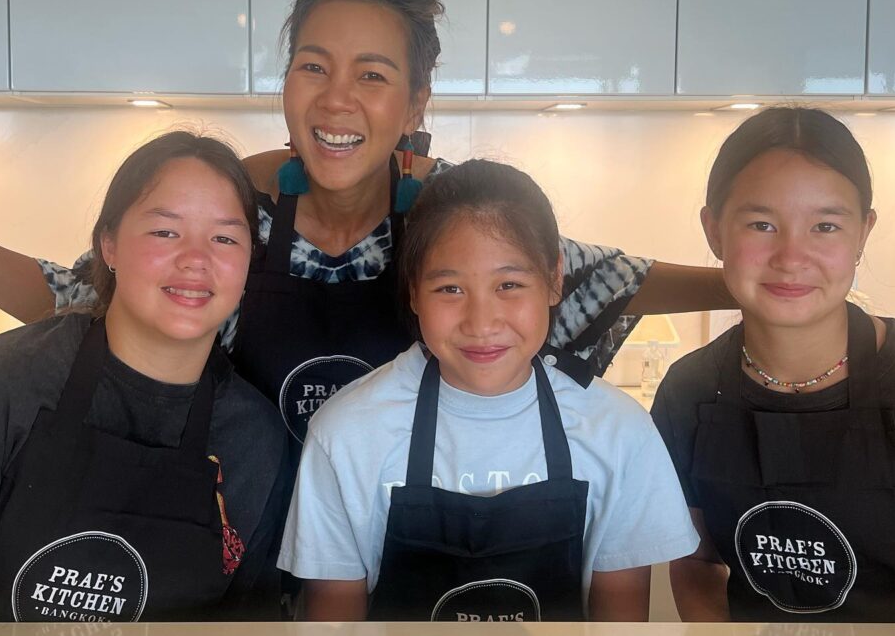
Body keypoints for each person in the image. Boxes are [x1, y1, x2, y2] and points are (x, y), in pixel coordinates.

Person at [0, 0, 731, 479]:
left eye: (372, 74)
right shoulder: (238, 213)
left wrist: (762, 285)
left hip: (401, 559)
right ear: (286, 81)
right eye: (313, 67)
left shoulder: (452, 215)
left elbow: (600, 277)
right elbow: (84, 294)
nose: (337, 99)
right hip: (236, 544)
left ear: (414, 101)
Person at [279, 159, 700, 622]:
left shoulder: (619, 432)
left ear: (554, 279)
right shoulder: (346, 433)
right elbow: (334, 623)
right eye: (450, 289)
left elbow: (619, 623)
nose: (481, 323)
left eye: (509, 284)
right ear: (414, 291)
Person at [0, 132, 288, 622]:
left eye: (224, 237)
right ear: (106, 245)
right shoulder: (1, 382)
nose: (196, 260)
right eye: (165, 232)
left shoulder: (254, 439)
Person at [650, 107, 895, 622]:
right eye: (761, 224)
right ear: (713, 230)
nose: (792, 256)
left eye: (825, 225)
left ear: (863, 233)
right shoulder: (689, 391)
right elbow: (697, 562)